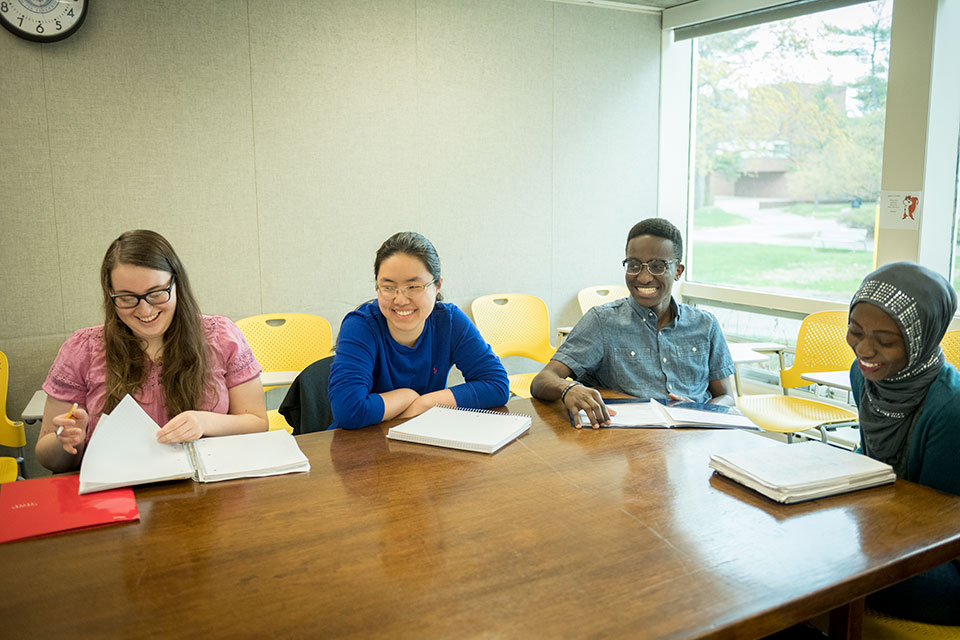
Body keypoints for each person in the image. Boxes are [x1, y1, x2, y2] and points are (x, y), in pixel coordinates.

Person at [36, 230, 268, 473]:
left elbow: (257, 423)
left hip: (208, 490)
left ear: (177, 284)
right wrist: (68, 440)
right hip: (119, 493)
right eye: (127, 298)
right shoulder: (82, 349)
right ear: (110, 295)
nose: (145, 310)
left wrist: (204, 422)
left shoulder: (220, 336)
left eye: (156, 293)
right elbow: (47, 457)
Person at [531, 218, 736, 427]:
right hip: (627, 442)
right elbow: (542, 381)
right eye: (634, 265)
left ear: (678, 271)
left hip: (694, 439)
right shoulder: (602, 321)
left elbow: (727, 397)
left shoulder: (705, 324)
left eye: (658, 266)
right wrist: (569, 389)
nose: (644, 277)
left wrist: (698, 412)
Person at [846, 261, 960, 624]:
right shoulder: (865, 376)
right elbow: (869, 459)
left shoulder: (950, 408)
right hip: (888, 531)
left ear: (921, 337)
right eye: (855, 331)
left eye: (886, 341)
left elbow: (936, 521)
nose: (864, 350)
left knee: (820, 568)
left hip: (943, 559)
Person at [329, 231, 509, 429]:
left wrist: (423, 404)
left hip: (421, 435)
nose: (400, 299)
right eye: (388, 287)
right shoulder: (360, 326)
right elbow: (349, 411)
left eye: (413, 286)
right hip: (358, 444)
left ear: (437, 285)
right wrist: (406, 396)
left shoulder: (449, 321)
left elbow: (497, 385)